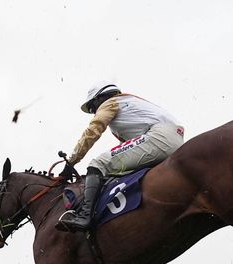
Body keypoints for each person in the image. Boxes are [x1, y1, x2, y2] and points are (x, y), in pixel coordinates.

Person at [57, 81, 186, 232]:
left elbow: (92, 132)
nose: (94, 112)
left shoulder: (111, 103)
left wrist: (71, 162)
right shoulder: (130, 104)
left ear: (100, 98)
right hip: (176, 140)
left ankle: (85, 216)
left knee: (98, 164)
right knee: (117, 169)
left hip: (159, 138)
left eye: (92, 107)